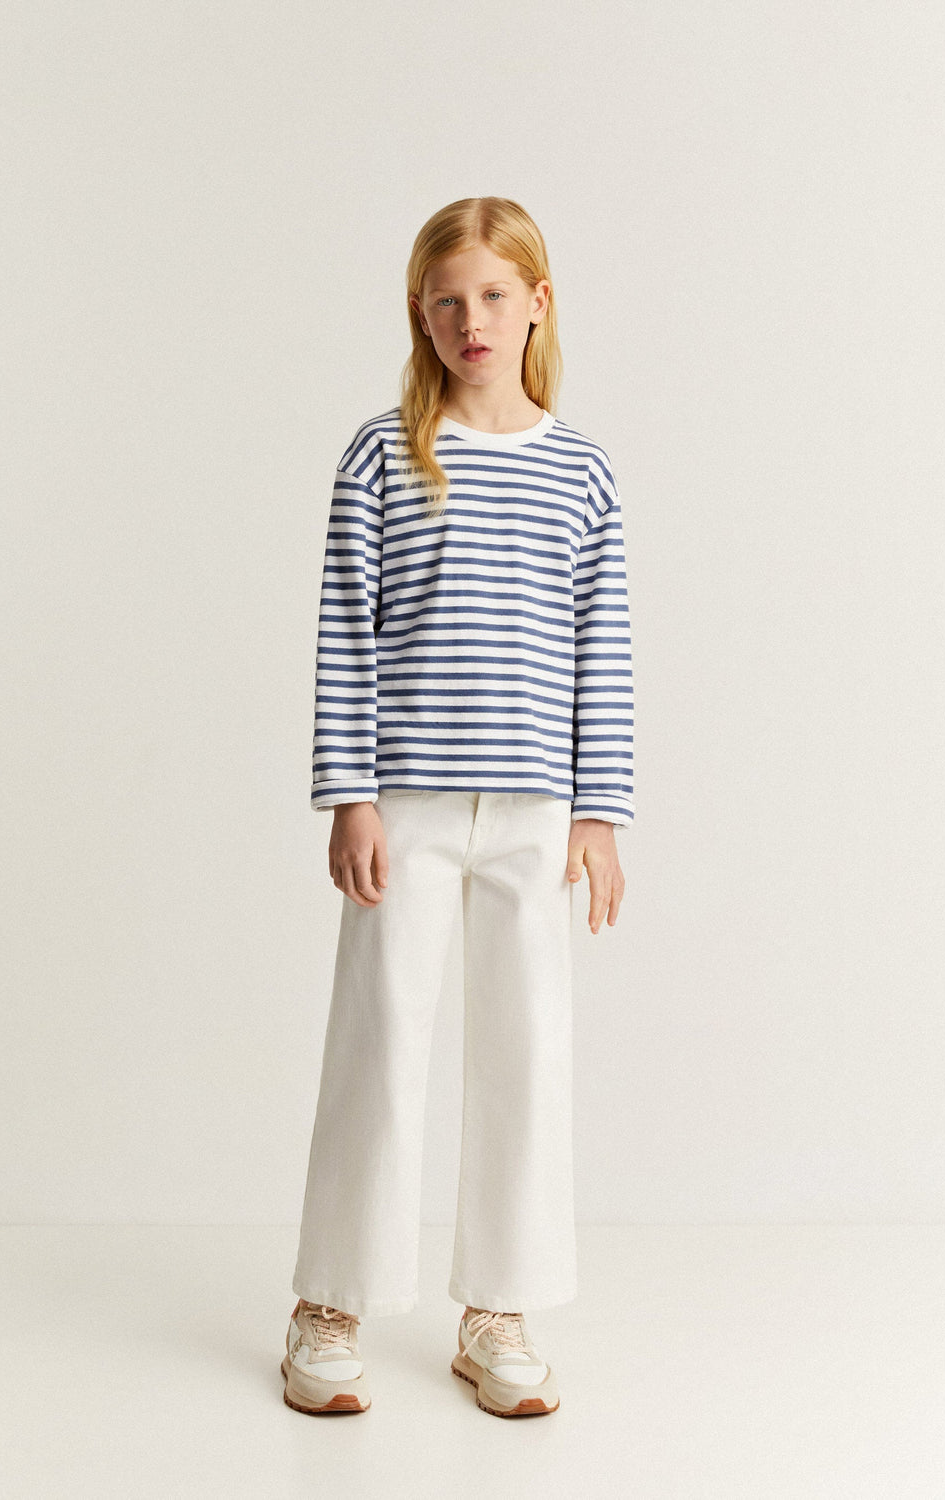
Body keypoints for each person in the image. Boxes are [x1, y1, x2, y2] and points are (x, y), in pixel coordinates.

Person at [281, 196, 635, 1418]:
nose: (469, 319)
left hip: (534, 811)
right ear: (418, 315)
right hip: (408, 806)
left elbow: (601, 646)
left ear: (537, 302)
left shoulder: (581, 469)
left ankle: (500, 1308)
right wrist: (349, 794)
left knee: (525, 1053)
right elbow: (346, 630)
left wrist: (598, 814)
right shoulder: (384, 454)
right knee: (379, 1044)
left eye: (491, 295)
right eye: (445, 300)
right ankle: (329, 1303)